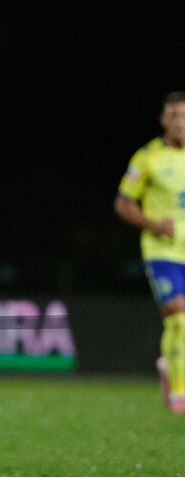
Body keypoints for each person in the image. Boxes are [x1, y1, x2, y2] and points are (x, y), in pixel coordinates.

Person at [115, 90, 185, 415]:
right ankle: (179, 395)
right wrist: (154, 225)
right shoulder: (148, 158)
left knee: (179, 325)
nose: (180, 123)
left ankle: (168, 366)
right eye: (174, 116)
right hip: (162, 250)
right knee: (178, 314)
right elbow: (123, 203)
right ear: (163, 120)